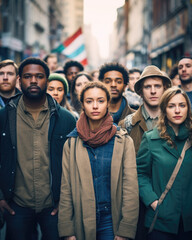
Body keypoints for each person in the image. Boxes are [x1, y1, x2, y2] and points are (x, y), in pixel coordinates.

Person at [0, 57, 76, 240]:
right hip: (16, 206)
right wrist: (1, 196)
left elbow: (74, 164)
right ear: (19, 80)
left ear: (47, 81)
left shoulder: (66, 119)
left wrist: (65, 200)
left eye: (39, 76)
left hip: (53, 207)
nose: (33, 81)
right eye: (27, 76)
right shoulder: (4, 117)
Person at [58, 81, 139, 240]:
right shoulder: (72, 143)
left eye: (100, 101)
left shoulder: (123, 141)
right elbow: (66, 189)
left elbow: (130, 188)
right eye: (89, 101)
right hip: (81, 218)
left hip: (111, 219)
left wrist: (125, 229)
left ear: (108, 103)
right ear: (82, 104)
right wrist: (67, 230)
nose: (95, 106)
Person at [137, 87, 192, 240]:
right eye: (171, 106)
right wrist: (153, 201)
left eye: (182, 105)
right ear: (164, 109)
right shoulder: (151, 139)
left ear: (188, 108)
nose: (177, 110)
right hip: (161, 220)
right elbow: (140, 174)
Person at [120, 65, 172, 154]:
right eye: (147, 87)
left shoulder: (175, 121)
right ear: (140, 92)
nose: (153, 91)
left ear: (164, 89)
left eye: (157, 86)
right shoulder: (127, 124)